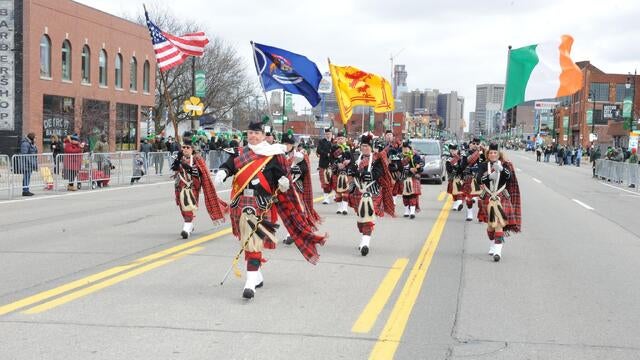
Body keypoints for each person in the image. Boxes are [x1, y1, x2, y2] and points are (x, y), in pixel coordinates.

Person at [216, 121, 326, 299]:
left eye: (256, 133)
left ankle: (250, 283)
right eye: (250, 133)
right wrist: (223, 172)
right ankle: (257, 275)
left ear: (263, 135)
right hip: (240, 202)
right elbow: (230, 166)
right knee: (247, 241)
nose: (252, 136)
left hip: (260, 204)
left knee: (253, 242)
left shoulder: (273, 155)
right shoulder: (239, 153)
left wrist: (283, 182)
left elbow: (280, 176)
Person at [170, 132, 227, 239]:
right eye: (183, 147)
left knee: (189, 207)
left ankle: (186, 228)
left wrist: (188, 167)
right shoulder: (179, 157)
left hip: (192, 187)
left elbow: (200, 173)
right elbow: (174, 169)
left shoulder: (197, 159)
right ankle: (190, 225)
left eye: (187, 147)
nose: (185, 149)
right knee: (183, 208)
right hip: (180, 187)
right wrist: (178, 163)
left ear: (192, 149)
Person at [346, 133, 395, 256]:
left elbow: (380, 172)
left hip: (373, 191)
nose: (365, 148)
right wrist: (353, 173)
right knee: (361, 218)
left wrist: (372, 175)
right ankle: (364, 236)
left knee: (368, 216)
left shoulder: (377, 158)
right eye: (363, 146)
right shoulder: (356, 157)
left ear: (371, 147)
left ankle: (365, 243)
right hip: (358, 191)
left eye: (367, 146)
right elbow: (352, 170)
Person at [476, 143, 521, 262]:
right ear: (488, 154)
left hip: (501, 197)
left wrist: (502, 170)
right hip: (488, 196)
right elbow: (478, 179)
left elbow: (510, 177)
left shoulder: (505, 165)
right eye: (491, 152)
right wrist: (490, 176)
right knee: (491, 226)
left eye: (495, 152)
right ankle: (492, 244)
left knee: (499, 224)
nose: (493, 154)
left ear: (498, 154)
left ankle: (497, 252)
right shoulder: (483, 165)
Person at [281, 130, 322, 245]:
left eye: (288, 144)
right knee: (287, 212)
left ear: (292, 145)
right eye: (284, 143)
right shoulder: (278, 156)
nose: (286, 146)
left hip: (295, 187)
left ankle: (293, 233)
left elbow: (304, 169)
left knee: (297, 210)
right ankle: (293, 232)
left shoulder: (299, 156)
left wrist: (298, 170)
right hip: (283, 188)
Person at [458, 138, 485, 221]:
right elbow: (462, 166)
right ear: (470, 144)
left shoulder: (483, 154)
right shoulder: (466, 154)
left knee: (481, 200)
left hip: (480, 178)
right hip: (469, 177)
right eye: (474, 143)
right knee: (468, 197)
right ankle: (470, 214)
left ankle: (481, 215)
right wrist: (461, 175)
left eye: (477, 144)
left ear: (479, 144)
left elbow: (486, 165)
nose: (475, 145)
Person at [396, 141, 424, 219]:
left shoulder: (415, 156)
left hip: (413, 177)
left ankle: (412, 212)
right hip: (404, 178)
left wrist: (418, 168)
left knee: (413, 195)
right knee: (405, 196)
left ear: (410, 148)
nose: (405, 150)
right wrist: (409, 169)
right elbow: (398, 167)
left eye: (406, 148)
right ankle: (406, 211)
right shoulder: (400, 156)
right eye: (403, 148)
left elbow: (421, 165)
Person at [330, 130, 353, 215]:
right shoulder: (334, 148)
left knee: (346, 190)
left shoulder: (349, 147)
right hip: (337, 171)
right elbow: (331, 159)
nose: (340, 140)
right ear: (337, 139)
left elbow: (353, 159)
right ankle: (339, 208)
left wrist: (348, 161)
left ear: (345, 139)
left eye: (342, 138)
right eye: (339, 138)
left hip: (347, 171)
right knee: (338, 191)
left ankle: (345, 208)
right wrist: (337, 164)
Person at [316, 128, 333, 204]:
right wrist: (327, 154)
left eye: (329, 134)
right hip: (323, 164)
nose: (327, 135)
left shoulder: (335, 141)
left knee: (333, 182)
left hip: (333, 165)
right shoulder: (321, 141)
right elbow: (319, 150)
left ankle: (336, 196)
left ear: (331, 134)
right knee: (324, 182)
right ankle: (326, 198)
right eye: (326, 134)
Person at [445, 144, 464, 211]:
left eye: (455, 150)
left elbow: (463, 167)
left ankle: (459, 202)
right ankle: (456, 203)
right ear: (450, 151)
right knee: (454, 192)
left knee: (459, 191)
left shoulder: (461, 158)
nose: (454, 152)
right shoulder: (449, 160)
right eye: (452, 150)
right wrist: (455, 168)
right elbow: (449, 170)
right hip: (452, 178)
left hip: (459, 178)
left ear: (457, 150)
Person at [18, 132, 38, 196]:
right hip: (26, 163)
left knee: (27, 177)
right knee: (26, 177)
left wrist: (34, 145)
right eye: (35, 138)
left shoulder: (30, 143)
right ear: (32, 138)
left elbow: (34, 152)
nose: (35, 139)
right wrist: (30, 162)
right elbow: (25, 154)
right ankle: (25, 191)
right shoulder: (25, 143)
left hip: (29, 163)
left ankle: (26, 189)